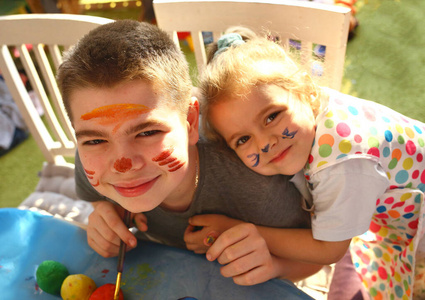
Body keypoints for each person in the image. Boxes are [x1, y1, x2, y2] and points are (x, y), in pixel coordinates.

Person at [56, 19, 324, 287]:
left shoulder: (255, 182)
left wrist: (275, 266)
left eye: (147, 133)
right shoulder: (93, 153)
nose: (123, 165)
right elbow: (95, 195)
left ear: (191, 122)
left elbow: (319, 256)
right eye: (94, 141)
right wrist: (104, 209)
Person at [198, 32, 425, 299]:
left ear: (305, 91)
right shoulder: (310, 109)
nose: (265, 144)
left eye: (271, 116)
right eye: (243, 139)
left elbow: (329, 250)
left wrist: (233, 227)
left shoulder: (342, 165)